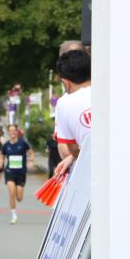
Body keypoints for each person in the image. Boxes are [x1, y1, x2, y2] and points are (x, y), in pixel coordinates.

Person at [53, 48, 91, 176]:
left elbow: (70, 149)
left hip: (87, 173)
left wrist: (71, 157)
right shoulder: (111, 91)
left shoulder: (64, 103)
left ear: (65, 83)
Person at [2, 124, 33, 224]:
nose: (12, 132)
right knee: (11, 192)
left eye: (14, 130)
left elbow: (31, 152)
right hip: (9, 172)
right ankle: (14, 215)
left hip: (21, 173)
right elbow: (2, 155)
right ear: (8, 132)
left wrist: (31, 160)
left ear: (16, 132)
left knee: (19, 198)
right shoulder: (6, 145)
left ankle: (17, 198)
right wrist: (0, 162)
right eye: (10, 130)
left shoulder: (22, 143)